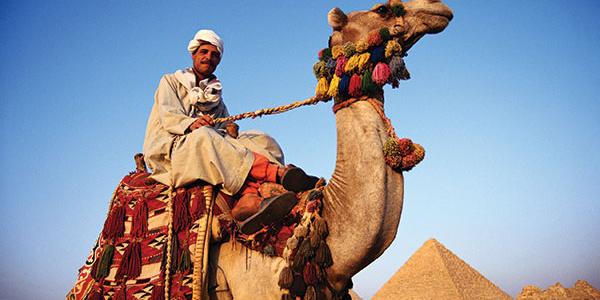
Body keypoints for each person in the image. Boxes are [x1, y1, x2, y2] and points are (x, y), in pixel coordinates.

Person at [143, 29, 318, 234]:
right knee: (204, 137)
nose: (208, 57)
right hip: (171, 148)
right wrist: (191, 124)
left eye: (214, 55)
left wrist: (232, 133)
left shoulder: (216, 98)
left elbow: (223, 132)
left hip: (206, 144)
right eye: (204, 52)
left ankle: (251, 198)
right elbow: (169, 114)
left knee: (258, 138)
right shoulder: (170, 82)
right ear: (194, 54)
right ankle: (275, 174)